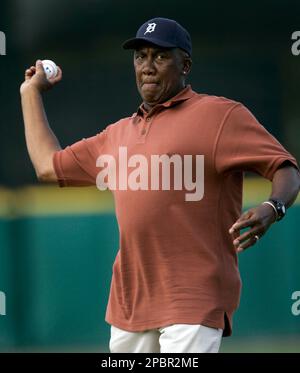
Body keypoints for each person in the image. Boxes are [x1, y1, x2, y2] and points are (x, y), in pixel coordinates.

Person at [20, 17, 300, 353]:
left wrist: (273, 207)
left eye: (161, 56)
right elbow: (47, 167)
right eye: (140, 56)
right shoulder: (117, 134)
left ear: (186, 65)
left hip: (194, 296)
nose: (148, 66)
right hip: (130, 303)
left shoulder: (220, 116)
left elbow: (284, 167)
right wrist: (29, 93)